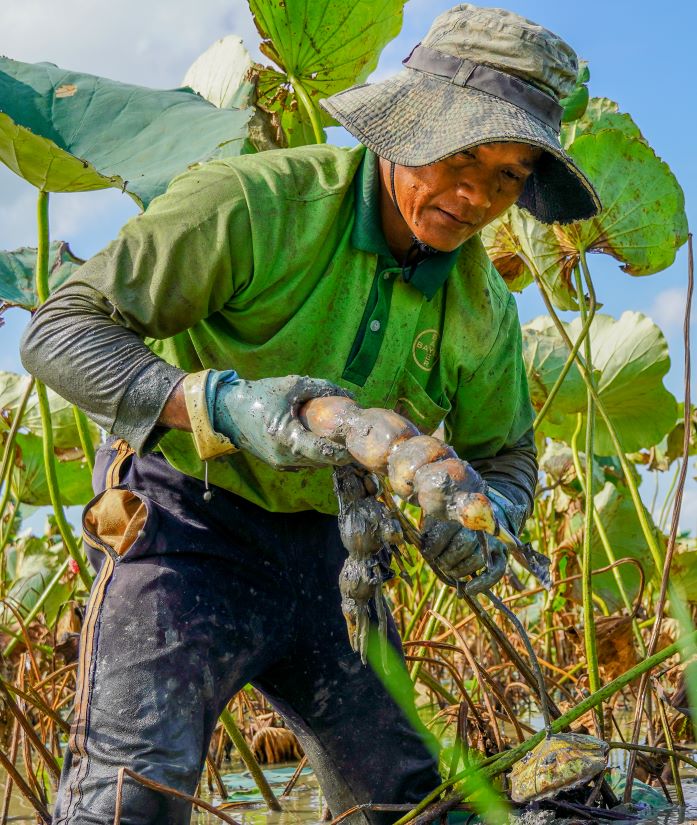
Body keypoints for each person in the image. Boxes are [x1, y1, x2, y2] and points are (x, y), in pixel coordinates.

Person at [20, 4, 600, 824]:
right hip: (186, 524)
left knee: (416, 807)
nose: (475, 192)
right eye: (462, 152)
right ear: (408, 124)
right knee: (129, 800)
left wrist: (484, 516)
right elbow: (61, 330)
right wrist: (222, 403)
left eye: (508, 175)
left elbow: (505, 453)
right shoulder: (256, 203)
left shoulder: (481, 308)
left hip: (332, 555)